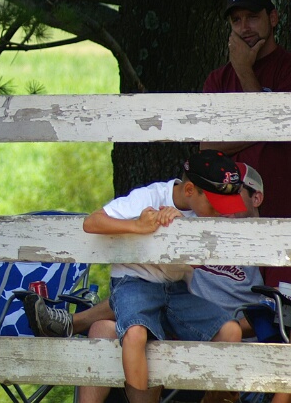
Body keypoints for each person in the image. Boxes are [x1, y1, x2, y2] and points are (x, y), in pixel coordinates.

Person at [81, 150, 246, 403]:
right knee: (135, 334)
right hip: (134, 281)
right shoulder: (150, 196)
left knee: (230, 331)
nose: (220, 213)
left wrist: (182, 230)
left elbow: (198, 262)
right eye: (215, 205)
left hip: (176, 289)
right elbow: (92, 222)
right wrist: (137, 225)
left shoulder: (207, 219)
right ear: (189, 190)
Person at [201, 0, 291, 288]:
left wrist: (243, 70)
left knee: (281, 305)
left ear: (273, 18)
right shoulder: (217, 80)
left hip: (284, 214)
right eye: (236, 20)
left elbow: (281, 128)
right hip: (232, 218)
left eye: (252, 17)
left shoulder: (286, 69)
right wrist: (267, 127)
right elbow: (207, 148)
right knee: (233, 305)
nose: (244, 27)